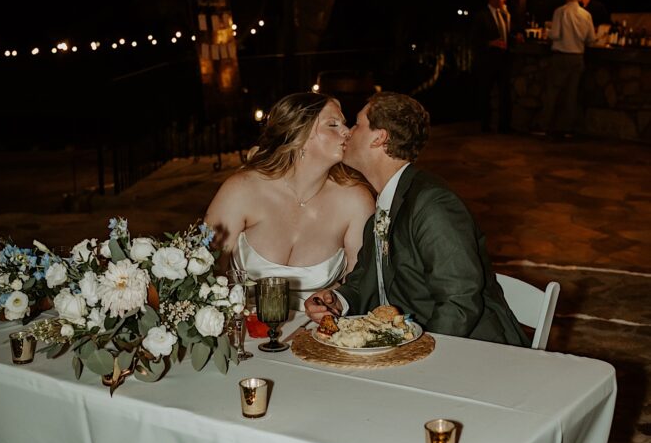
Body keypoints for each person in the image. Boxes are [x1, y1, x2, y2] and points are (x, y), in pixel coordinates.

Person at [305, 92, 529, 346]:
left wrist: (419, 354)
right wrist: (338, 300)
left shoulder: (432, 204)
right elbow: (368, 278)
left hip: (475, 352)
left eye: (357, 124)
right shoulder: (385, 203)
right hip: (406, 345)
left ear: (380, 138)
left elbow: (460, 301)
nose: (348, 132)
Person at [204, 92, 374, 309]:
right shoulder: (243, 190)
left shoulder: (355, 201)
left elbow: (361, 288)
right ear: (299, 136)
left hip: (319, 336)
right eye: (332, 124)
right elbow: (205, 272)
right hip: (247, 334)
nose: (346, 132)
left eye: (344, 124)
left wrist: (335, 306)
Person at [544, 0, 596, 138]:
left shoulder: (560, 12)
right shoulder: (586, 15)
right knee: (571, 95)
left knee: (553, 92)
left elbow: (555, 35)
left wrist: (547, 32)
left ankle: (548, 126)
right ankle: (567, 128)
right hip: (578, 57)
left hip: (561, 55)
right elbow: (591, 39)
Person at [470, 0, 513, 133]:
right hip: (487, 61)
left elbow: (507, 33)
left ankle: (504, 125)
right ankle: (485, 126)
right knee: (485, 93)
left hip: (503, 60)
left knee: (505, 93)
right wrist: (490, 43)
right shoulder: (482, 16)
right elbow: (474, 39)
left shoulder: (505, 14)